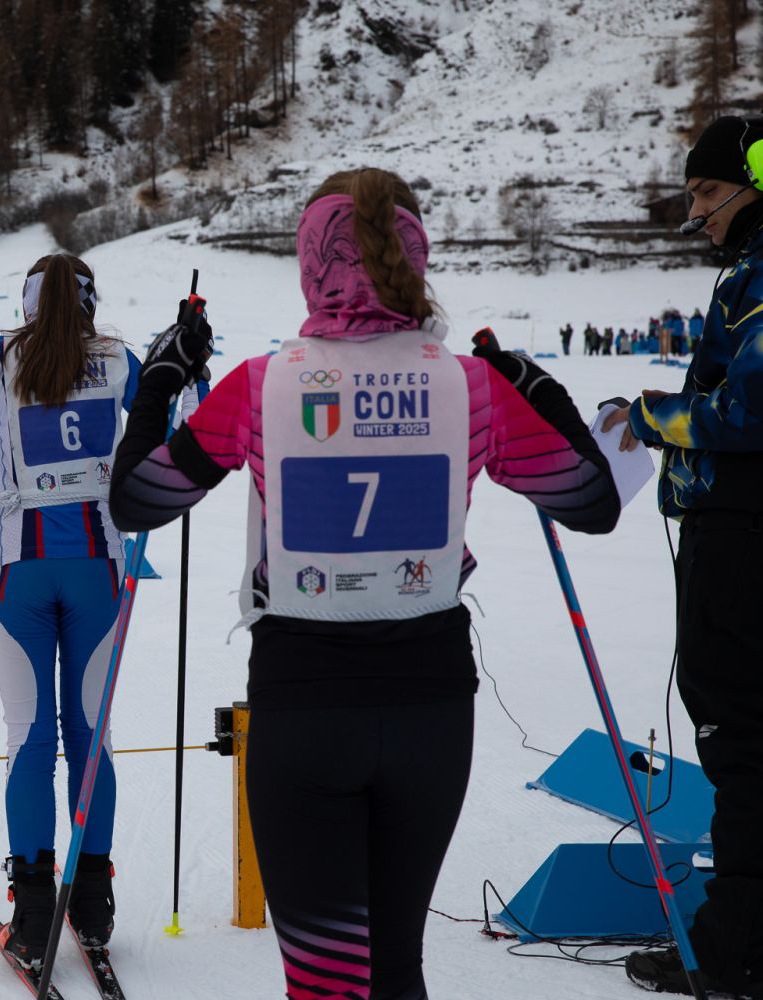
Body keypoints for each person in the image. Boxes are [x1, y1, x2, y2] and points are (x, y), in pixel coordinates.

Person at [107, 167, 620, 999]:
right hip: (430, 710)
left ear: (312, 261)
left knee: (328, 981)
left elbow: (137, 501)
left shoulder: (261, 384)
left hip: (304, 705)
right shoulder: (473, 384)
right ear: (413, 254)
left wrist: (163, 377)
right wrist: (538, 387)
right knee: (394, 970)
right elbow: (592, 501)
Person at [0, 253, 200, 974]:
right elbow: (183, 434)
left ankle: (31, 915)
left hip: (19, 567)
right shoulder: (118, 358)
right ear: (90, 301)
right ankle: (92, 902)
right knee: (91, 733)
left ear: (25, 302)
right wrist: (187, 363)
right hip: (100, 565)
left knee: (29, 737)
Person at [605, 114, 763, 998]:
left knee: (740, 735)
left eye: (708, 191)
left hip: (741, 535)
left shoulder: (761, 273)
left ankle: (736, 946)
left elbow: (750, 410)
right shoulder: (746, 270)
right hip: (731, 527)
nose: (697, 212)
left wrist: (654, 417)